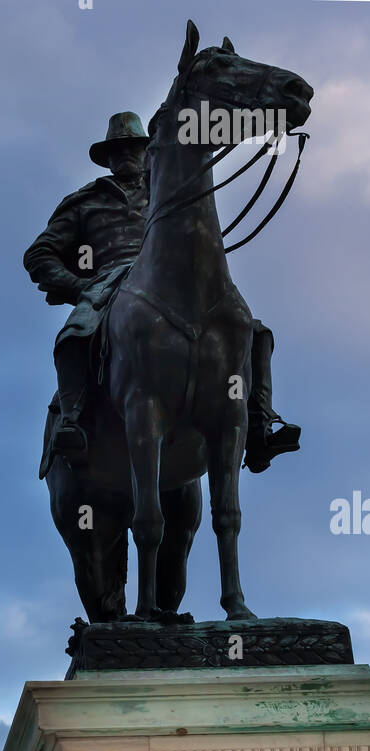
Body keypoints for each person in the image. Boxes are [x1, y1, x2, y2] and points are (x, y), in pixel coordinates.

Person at [23, 111, 301, 477]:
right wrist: (79, 286)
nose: (126, 155)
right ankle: (73, 421)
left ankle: (260, 424)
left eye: (133, 148)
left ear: (145, 151)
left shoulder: (168, 191)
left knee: (253, 330)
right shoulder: (84, 202)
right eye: (118, 150)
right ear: (106, 157)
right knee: (75, 333)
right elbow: (39, 254)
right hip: (109, 284)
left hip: (172, 281)